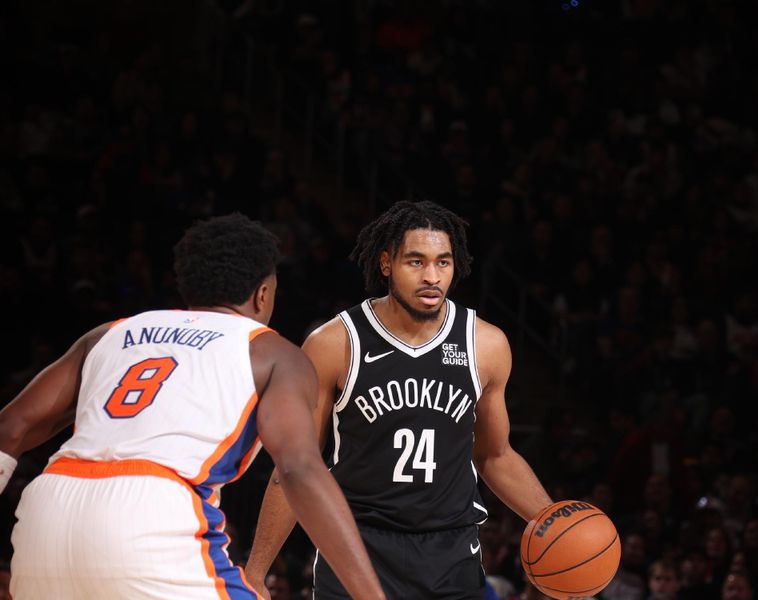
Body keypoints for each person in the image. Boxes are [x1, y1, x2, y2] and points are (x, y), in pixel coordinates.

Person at [0, 214, 385, 600]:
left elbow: (12, 427)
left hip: (47, 510)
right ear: (263, 294)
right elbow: (298, 468)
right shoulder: (272, 352)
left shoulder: (109, 333)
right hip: (152, 513)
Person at [245, 200, 553, 598]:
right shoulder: (335, 344)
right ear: (387, 264)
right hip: (356, 546)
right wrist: (255, 573)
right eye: (416, 262)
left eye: (443, 262)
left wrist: (551, 522)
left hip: (452, 552)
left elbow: (495, 455)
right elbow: (297, 463)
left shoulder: (485, 344)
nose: (432, 276)